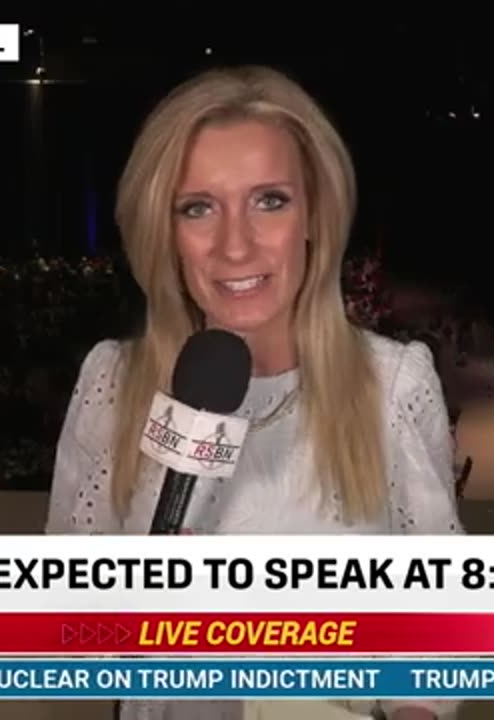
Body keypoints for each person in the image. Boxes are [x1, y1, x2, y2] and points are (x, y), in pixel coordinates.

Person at [45, 66, 461, 720]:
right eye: (198, 207)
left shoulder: (395, 384)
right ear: (164, 229)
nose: (234, 246)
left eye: (269, 200)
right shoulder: (113, 383)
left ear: (315, 216)